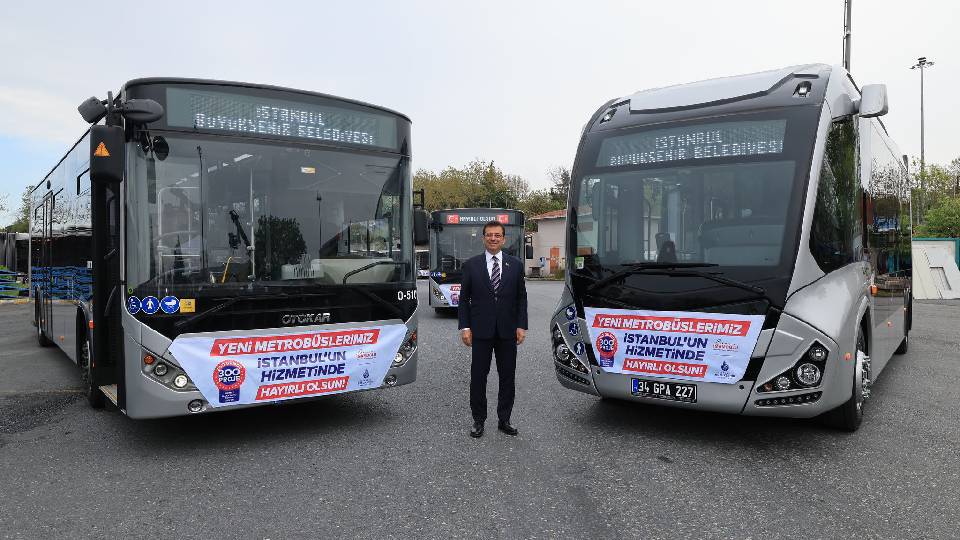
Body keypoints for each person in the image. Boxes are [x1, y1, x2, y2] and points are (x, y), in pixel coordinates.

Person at [458, 220, 528, 438]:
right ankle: (478, 420)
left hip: (508, 331)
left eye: (498, 235)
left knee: (507, 376)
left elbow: (521, 298)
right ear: (483, 238)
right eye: (489, 235)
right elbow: (464, 299)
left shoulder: (515, 265)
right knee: (478, 377)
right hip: (480, 331)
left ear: (504, 239)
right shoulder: (471, 265)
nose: (493, 238)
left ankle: (504, 419)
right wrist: (465, 327)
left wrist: (521, 325)